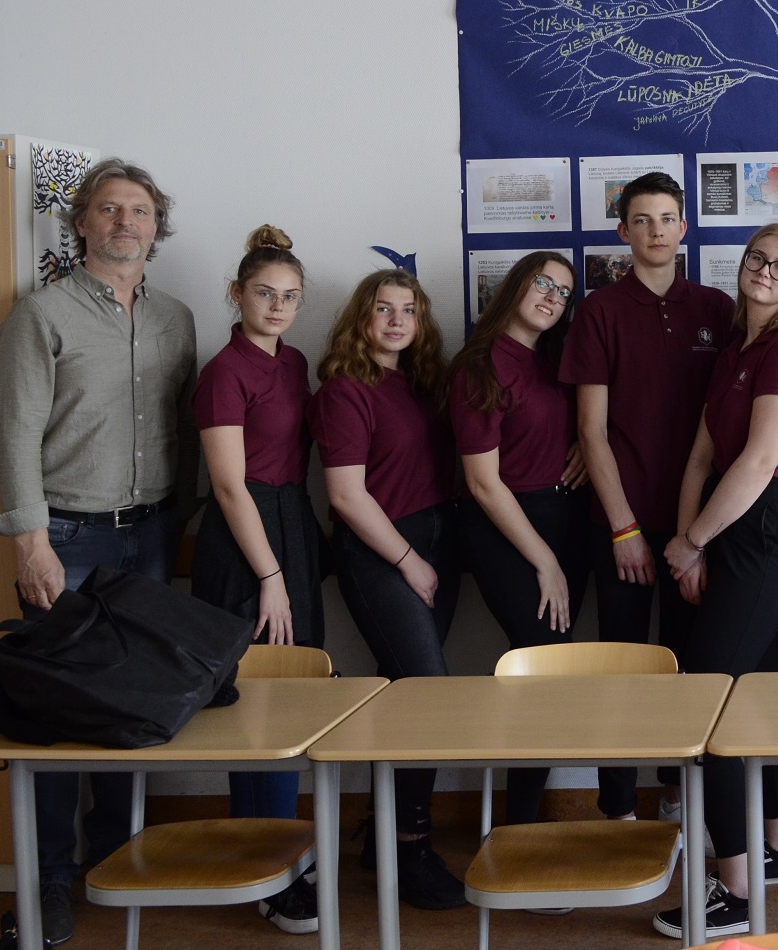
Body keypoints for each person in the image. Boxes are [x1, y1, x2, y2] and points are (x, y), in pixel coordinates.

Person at [0, 158, 196, 946]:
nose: (124, 222)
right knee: (54, 713)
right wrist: (31, 543)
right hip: (67, 536)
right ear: (81, 222)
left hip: (149, 532)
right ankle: (44, 884)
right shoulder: (40, 314)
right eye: (108, 209)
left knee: (135, 705)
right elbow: (14, 433)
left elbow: (185, 420)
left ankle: (117, 856)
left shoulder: (177, 317)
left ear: (156, 225)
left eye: (139, 210)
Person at [653, 226, 778, 941]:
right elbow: (699, 458)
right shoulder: (735, 352)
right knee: (754, 691)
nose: (764, 271)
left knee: (708, 705)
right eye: (756, 258)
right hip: (726, 524)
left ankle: (736, 892)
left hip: (765, 526)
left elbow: (756, 465)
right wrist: (689, 547)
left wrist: (692, 541)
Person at [562, 172, 732, 823]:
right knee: (624, 665)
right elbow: (590, 430)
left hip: (697, 527)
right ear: (622, 231)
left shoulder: (716, 309)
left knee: (689, 663)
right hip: (623, 523)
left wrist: (695, 536)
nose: (655, 230)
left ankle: (675, 790)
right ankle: (618, 804)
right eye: (642, 219)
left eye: (666, 218)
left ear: (684, 227)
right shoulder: (599, 312)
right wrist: (623, 528)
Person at [310, 268, 465, 909]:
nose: (398, 321)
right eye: (384, 309)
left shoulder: (422, 385)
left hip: (435, 541)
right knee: (426, 694)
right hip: (383, 552)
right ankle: (411, 847)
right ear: (361, 317)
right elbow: (346, 496)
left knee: (402, 694)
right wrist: (409, 562)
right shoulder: (345, 391)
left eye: (409, 310)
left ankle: (381, 829)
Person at [190, 225, 322, 935]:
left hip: (292, 521)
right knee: (254, 706)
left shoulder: (296, 361)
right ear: (237, 294)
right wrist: (270, 575)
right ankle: (265, 870)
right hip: (245, 539)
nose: (276, 305)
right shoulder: (223, 371)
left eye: (290, 296)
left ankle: (288, 855)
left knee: (297, 697)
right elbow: (228, 485)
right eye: (265, 293)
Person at [449, 250, 590, 826]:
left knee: (549, 680)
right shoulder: (477, 367)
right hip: (506, 529)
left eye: (563, 292)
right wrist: (545, 564)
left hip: (566, 521)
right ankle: (517, 829)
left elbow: (574, 424)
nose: (553, 298)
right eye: (543, 283)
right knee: (540, 673)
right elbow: (483, 484)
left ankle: (521, 823)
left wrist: (585, 446)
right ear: (515, 286)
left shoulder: (556, 362)